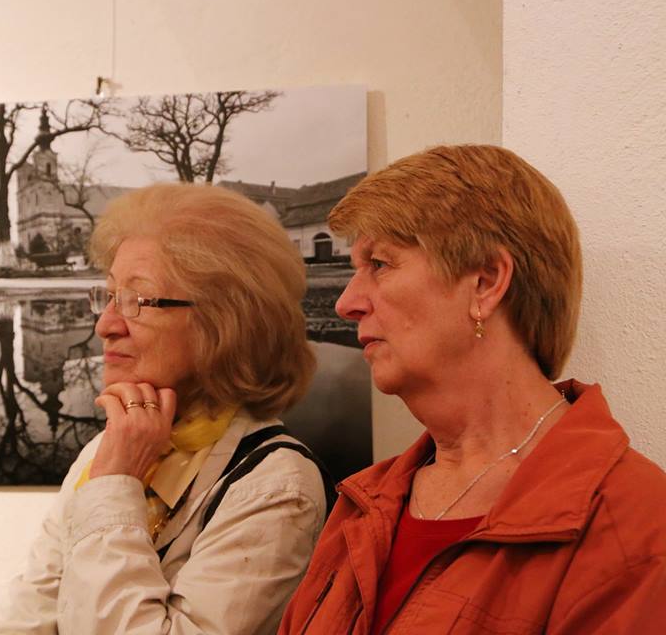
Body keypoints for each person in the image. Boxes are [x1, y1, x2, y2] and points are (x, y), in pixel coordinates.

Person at [280, 144, 666, 634]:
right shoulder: (365, 503)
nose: (346, 303)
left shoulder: (633, 528)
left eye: (379, 263)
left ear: (485, 282)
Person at [0, 183, 332, 635]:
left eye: (137, 300)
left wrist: (115, 486)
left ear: (225, 322)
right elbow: (27, 617)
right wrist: (115, 474)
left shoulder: (276, 487)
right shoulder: (112, 447)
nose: (105, 324)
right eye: (109, 295)